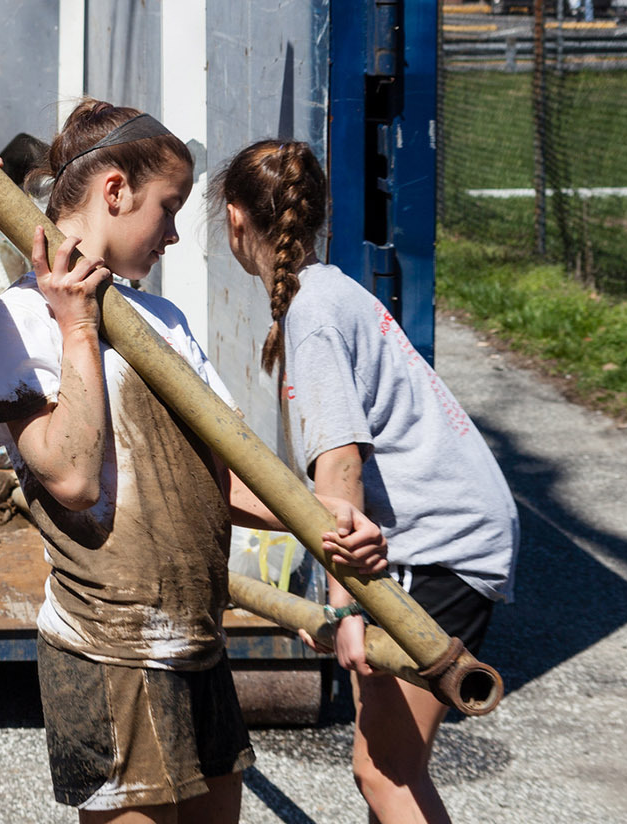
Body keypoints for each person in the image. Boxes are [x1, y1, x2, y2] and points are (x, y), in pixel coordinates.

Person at [0, 101, 387, 823]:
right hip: (110, 649)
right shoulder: (17, 321)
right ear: (114, 191)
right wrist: (77, 329)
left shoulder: (165, 323)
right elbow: (68, 476)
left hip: (196, 639)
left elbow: (223, 473)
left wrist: (321, 523)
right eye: (166, 208)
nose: (172, 233)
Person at [212, 139, 520, 824]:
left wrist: (347, 609)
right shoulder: (328, 292)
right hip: (450, 528)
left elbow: (340, 474)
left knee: (386, 772)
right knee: (386, 766)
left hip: (441, 542)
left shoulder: (311, 314)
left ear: (236, 220)